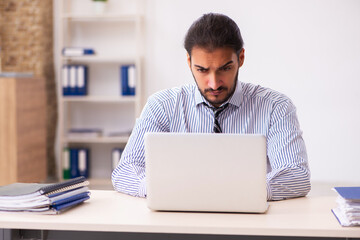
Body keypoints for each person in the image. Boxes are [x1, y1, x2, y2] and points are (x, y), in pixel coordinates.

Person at [112, 13, 311, 201]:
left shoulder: (276, 107)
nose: (214, 83)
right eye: (202, 70)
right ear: (189, 62)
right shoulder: (162, 106)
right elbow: (125, 171)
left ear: (240, 58)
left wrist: (226, 192)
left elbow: (297, 175)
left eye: (225, 69)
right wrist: (165, 189)